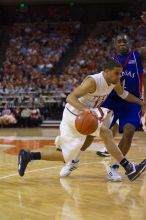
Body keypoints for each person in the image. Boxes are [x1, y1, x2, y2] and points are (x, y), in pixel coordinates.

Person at [18, 59, 146, 181]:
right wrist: (86, 109)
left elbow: (123, 94)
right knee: (100, 136)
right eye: (116, 73)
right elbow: (70, 98)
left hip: (86, 115)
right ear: (106, 71)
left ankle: (29, 155)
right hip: (73, 114)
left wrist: (141, 102)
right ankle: (129, 167)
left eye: (120, 73)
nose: (119, 77)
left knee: (69, 155)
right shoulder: (93, 81)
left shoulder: (114, 82)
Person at [95, 13, 146, 181]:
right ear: (114, 45)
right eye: (120, 41)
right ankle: (73, 157)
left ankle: (115, 167)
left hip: (131, 101)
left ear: (129, 44)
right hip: (112, 100)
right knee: (93, 127)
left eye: (125, 41)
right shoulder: (110, 61)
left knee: (130, 131)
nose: (123, 43)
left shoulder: (137, 56)